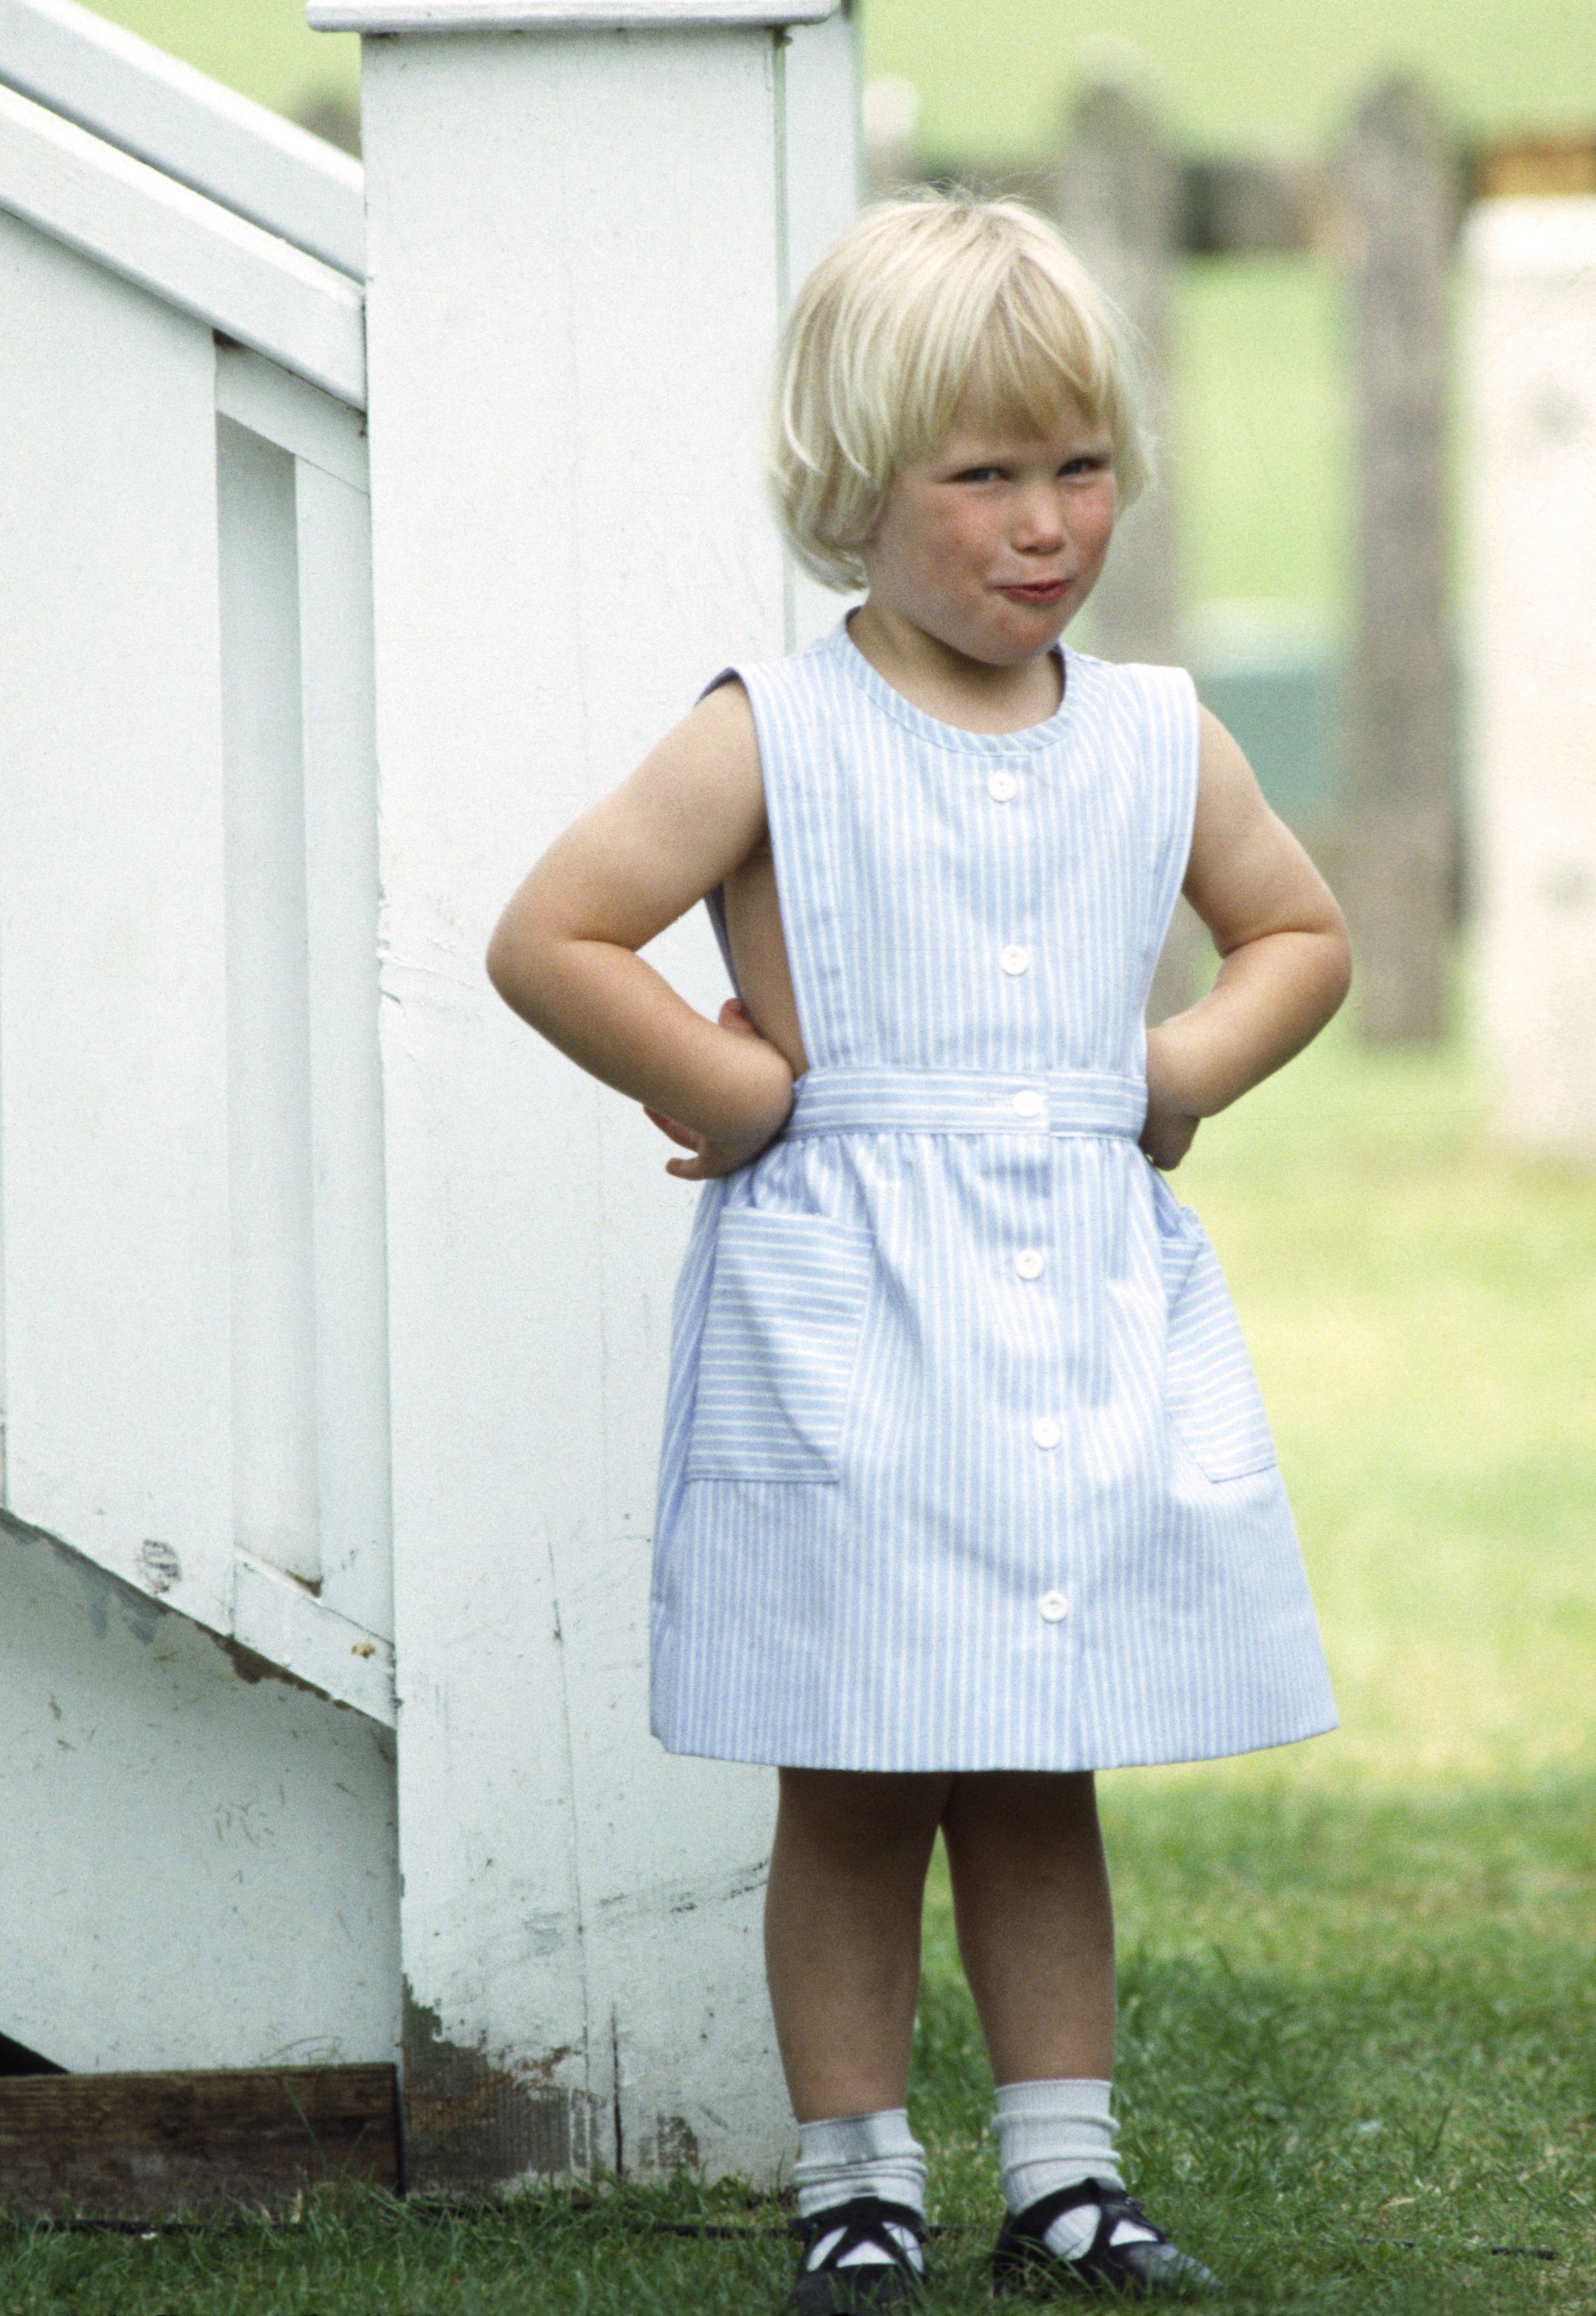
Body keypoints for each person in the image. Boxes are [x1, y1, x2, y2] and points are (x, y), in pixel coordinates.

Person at [487, 193, 1350, 2306]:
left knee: (1039, 1766)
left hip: (1067, 1322)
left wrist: (1171, 1073)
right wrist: (732, 1089)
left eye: (1077, 468)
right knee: (865, 1769)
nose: (1043, 522)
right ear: (852, 488)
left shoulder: (1156, 735)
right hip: (854, 1327)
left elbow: (1303, 935)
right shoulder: (769, 738)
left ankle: (1064, 2173)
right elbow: (550, 934)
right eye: (982, 475)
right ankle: (852, 2182)